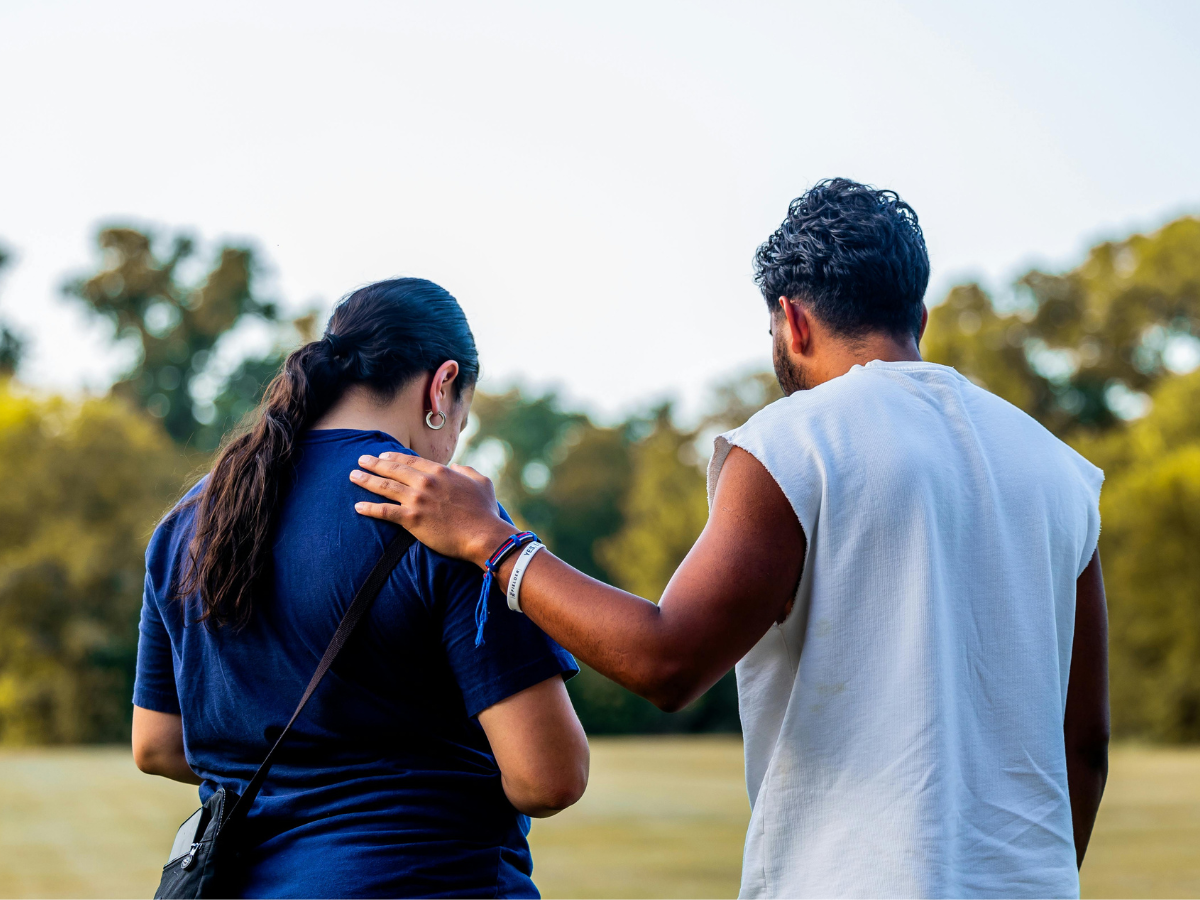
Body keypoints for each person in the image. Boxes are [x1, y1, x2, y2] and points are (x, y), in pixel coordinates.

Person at [351, 180, 1111, 899]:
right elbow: (1087, 744)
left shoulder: (796, 442)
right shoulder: (1060, 470)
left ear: (793, 320)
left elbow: (668, 660)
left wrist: (494, 542)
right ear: (919, 313)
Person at [132, 278, 588, 899]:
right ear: (442, 385)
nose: (454, 441)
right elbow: (549, 777)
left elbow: (157, 745)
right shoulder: (448, 519)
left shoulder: (190, 520)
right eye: (461, 417)